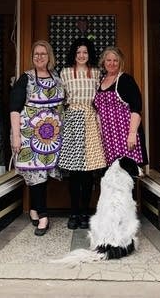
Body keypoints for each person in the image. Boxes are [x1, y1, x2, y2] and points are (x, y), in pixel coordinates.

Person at [9, 40, 64, 236]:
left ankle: (33, 208)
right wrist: (16, 136)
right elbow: (14, 109)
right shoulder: (25, 79)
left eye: (43, 53)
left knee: (43, 175)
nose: (39, 57)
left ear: (49, 56)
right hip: (29, 136)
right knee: (36, 175)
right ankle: (43, 216)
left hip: (52, 137)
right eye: (36, 54)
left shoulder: (57, 77)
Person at [59, 37, 106, 230]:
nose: (81, 55)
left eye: (85, 52)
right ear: (74, 54)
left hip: (90, 119)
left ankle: (85, 212)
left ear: (89, 54)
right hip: (71, 119)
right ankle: (74, 211)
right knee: (74, 171)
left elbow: (101, 98)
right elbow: (60, 98)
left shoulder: (96, 73)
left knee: (88, 171)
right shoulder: (65, 72)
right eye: (78, 52)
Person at [93, 46, 146, 167]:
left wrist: (132, 134)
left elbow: (136, 109)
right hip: (107, 137)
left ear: (120, 62)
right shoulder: (100, 81)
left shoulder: (126, 80)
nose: (112, 63)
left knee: (126, 172)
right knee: (111, 174)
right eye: (108, 60)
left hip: (124, 135)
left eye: (115, 60)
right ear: (103, 62)